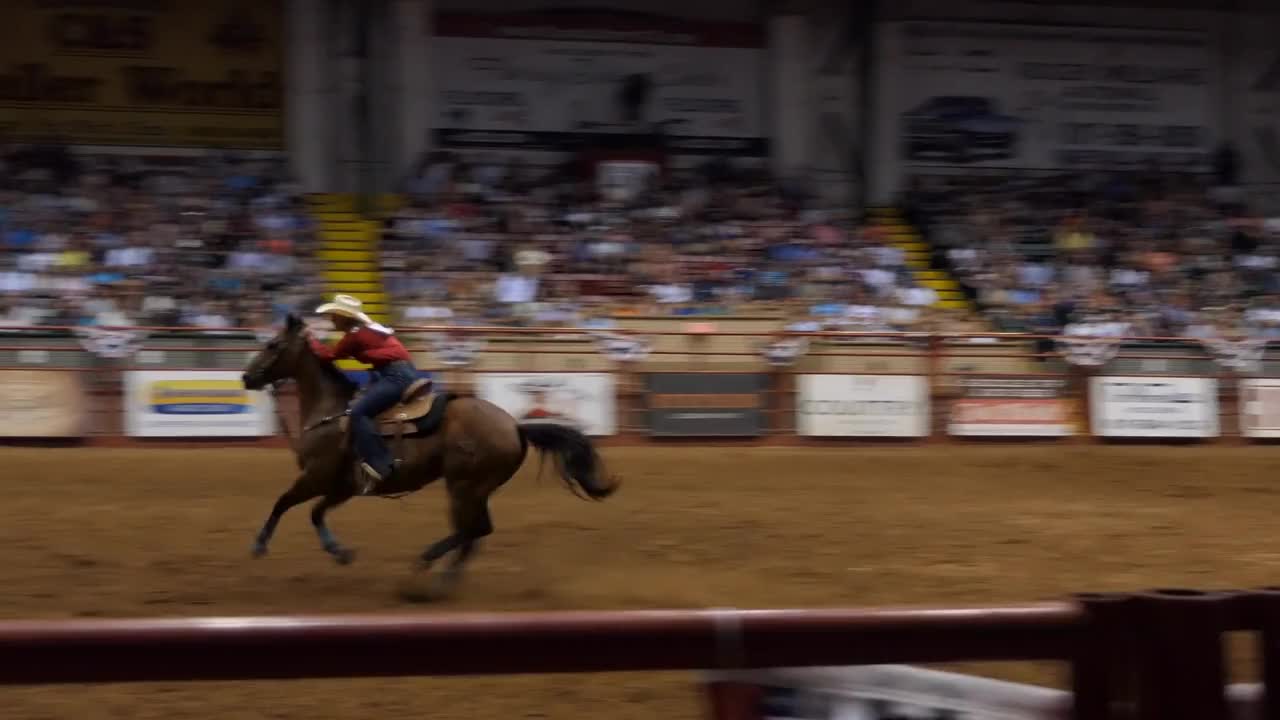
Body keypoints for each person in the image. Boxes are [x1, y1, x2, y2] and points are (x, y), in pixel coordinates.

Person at [307, 294, 422, 495]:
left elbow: (329, 356)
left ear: (345, 317)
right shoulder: (369, 330)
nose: (332, 319)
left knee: (358, 413)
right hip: (401, 372)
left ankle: (381, 464)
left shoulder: (354, 336)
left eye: (335, 315)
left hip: (394, 376)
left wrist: (310, 340)